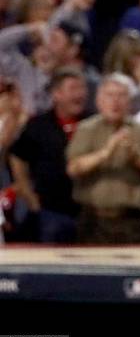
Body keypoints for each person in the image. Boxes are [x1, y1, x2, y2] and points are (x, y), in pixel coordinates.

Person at [66, 73, 140, 243]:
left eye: (121, 96)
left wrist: (134, 154)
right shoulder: (86, 129)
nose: (115, 101)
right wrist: (106, 152)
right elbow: (74, 168)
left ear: (130, 101)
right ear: (99, 100)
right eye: (109, 95)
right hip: (92, 220)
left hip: (131, 220)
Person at [9, 68, 88, 243]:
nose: (80, 94)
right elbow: (17, 156)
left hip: (89, 212)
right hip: (51, 210)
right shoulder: (38, 125)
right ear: (56, 94)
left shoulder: (93, 122)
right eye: (73, 89)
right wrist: (27, 192)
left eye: (82, 88)